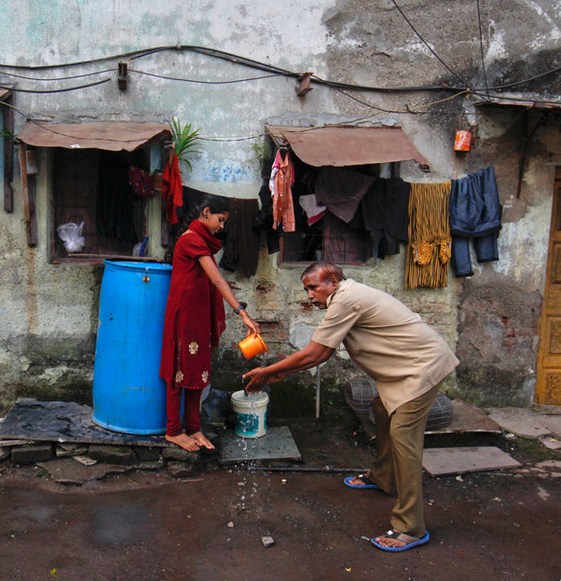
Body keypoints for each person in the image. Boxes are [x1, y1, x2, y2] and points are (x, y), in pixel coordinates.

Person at [242, 262, 458, 551]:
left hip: (422, 368)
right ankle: (383, 477)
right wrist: (279, 373)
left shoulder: (346, 299)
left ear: (333, 281)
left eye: (314, 288)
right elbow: (322, 353)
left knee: (404, 437)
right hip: (404, 370)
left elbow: (316, 353)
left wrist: (268, 372)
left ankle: (411, 527)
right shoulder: (345, 296)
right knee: (382, 410)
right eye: (307, 289)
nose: (309, 296)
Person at [161, 194, 260, 452]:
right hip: (184, 316)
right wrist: (242, 312)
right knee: (178, 372)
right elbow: (217, 280)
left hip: (198, 317)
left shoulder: (203, 241)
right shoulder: (192, 240)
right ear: (205, 213)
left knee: (198, 373)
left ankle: (193, 428)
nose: (222, 227)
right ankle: (173, 431)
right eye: (220, 220)